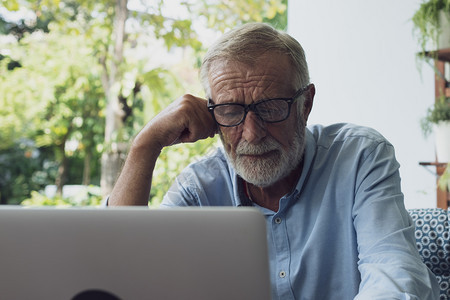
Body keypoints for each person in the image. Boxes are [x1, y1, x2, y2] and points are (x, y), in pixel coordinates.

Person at [109, 23, 439, 299]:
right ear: (213, 113)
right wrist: (145, 145)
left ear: (305, 104)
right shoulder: (200, 189)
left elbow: (393, 272)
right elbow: (124, 276)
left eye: (270, 108)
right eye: (231, 111)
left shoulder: (359, 158)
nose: (252, 134)